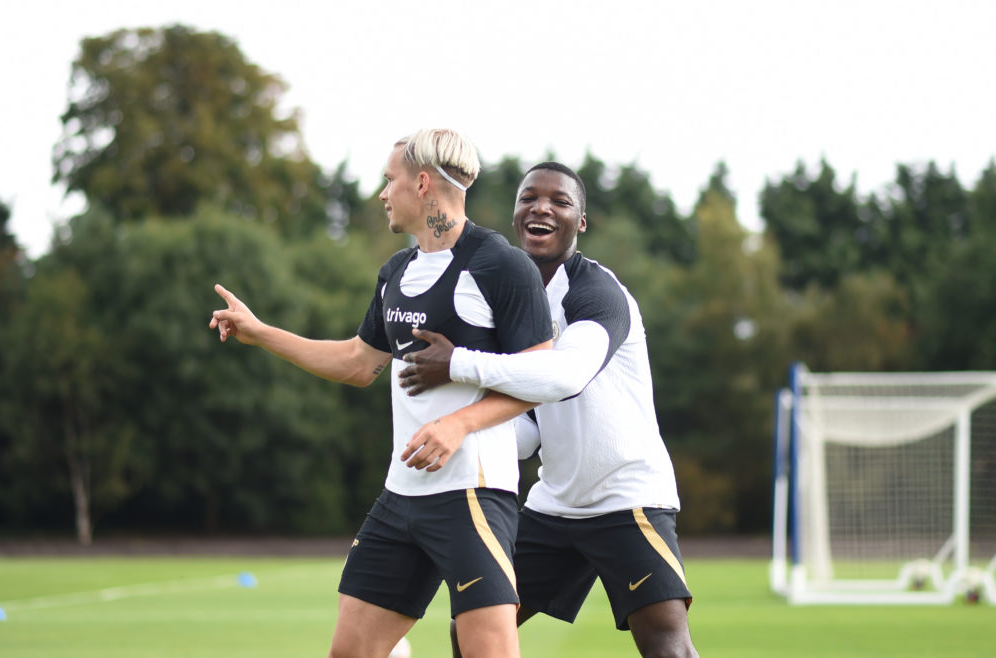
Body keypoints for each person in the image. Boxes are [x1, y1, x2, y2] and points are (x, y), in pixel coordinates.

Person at [209, 129, 553, 658]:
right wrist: (261, 333)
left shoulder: (502, 266)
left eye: (389, 180)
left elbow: (542, 377)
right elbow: (356, 362)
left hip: (473, 498)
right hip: (400, 501)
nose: (382, 194)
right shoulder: (395, 273)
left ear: (422, 182)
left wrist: (457, 424)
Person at [397, 162, 700, 657]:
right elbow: (528, 426)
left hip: (628, 495)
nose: (541, 207)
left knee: (667, 646)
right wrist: (451, 433)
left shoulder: (598, 293)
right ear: (516, 215)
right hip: (554, 505)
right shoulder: (513, 301)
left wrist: (458, 363)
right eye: (528, 198)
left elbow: (565, 377)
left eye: (559, 201)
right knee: (474, 628)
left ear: (581, 221)